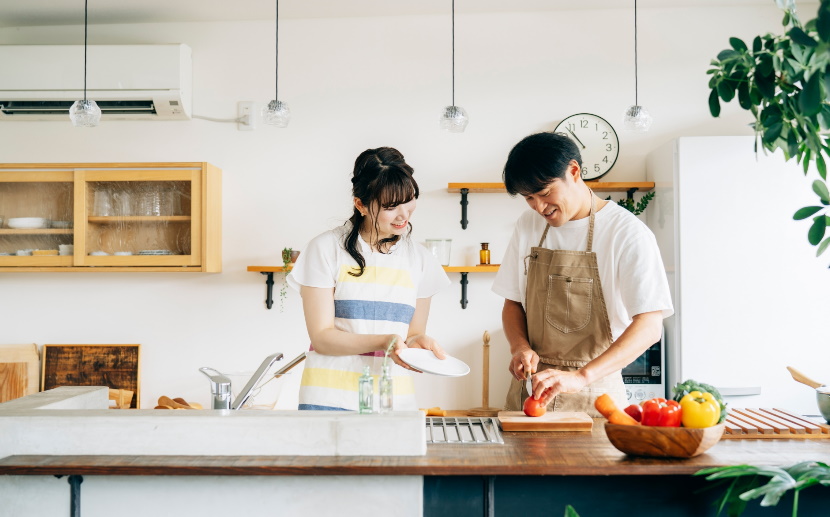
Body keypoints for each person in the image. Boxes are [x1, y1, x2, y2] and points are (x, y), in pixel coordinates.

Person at [492, 132, 673, 417]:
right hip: (530, 393)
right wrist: (519, 347)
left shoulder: (626, 233)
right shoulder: (528, 225)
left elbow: (650, 326)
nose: (539, 207)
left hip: (595, 398)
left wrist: (580, 377)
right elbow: (512, 303)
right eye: (529, 198)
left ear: (574, 171)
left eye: (544, 193)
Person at [287, 147, 450, 411]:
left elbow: (412, 335)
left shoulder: (420, 259)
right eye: (390, 206)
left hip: (393, 400)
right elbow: (322, 338)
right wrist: (382, 341)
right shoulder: (325, 249)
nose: (404, 215)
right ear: (360, 204)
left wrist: (419, 342)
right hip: (330, 400)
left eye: (409, 200)